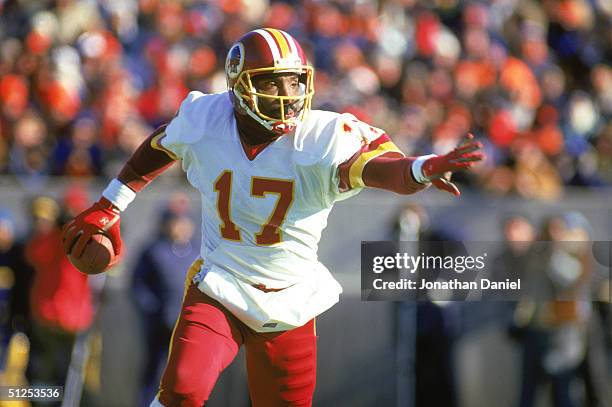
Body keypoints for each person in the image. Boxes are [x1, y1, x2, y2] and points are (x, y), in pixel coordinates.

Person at [62, 28, 484, 407]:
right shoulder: (206, 119)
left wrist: (421, 168)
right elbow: (157, 147)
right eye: (270, 81)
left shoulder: (321, 136)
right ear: (240, 86)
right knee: (183, 391)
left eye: (295, 80)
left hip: (290, 300)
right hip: (221, 282)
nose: (287, 93)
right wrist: (110, 203)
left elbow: (383, 169)